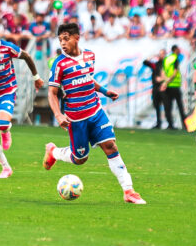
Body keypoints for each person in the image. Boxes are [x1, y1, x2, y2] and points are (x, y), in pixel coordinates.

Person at [43, 23, 146, 204]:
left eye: (66, 38)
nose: (63, 43)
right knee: (80, 158)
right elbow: (51, 93)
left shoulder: (89, 56)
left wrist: (105, 91)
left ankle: (129, 190)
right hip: (76, 118)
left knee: (111, 147)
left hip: (96, 111)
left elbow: (88, 79)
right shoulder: (59, 64)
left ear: (77, 37)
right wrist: (59, 115)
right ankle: (54, 152)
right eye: (60, 40)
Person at [0, 18, 44, 178]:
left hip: (6, 91)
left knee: (3, 123)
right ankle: (6, 168)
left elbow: (26, 56)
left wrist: (36, 77)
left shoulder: (7, 47)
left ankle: (5, 130)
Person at [161, 45, 187, 130]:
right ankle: (185, 125)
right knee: (180, 106)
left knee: (168, 106)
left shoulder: (166, 59)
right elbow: (175, 73)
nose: (179, 51)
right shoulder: (175, 59)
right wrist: (168, 81)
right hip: (175, 86)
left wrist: (165, 82)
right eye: (178, 49)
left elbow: (163, 72)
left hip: (167, 86)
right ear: (175, 50)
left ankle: (170, 124)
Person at [143, 49, 166, 129]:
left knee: (166, 105)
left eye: (162, 54)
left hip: (163, 87)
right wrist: (153, 56)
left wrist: (163, 79)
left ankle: (169, 123)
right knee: (156, 105)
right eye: (160, 54)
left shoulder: (166, 64)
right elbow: (145, 62)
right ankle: (158, 122)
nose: (161, 55)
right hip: (156, 87)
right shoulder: (156, 65)